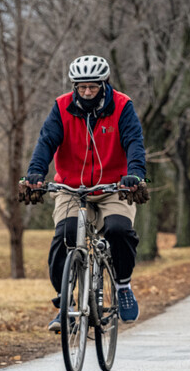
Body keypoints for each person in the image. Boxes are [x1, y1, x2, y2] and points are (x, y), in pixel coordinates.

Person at [20, 55, 149, 332]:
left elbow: (134, 143)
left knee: (118, 230)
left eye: (93, 86)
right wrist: (35, 174)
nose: (87, 92)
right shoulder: (62, 107)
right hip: (70, 187)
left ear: (104, 84)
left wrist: (136, 175)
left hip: (114, 187)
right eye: (82, 87)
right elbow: (46, 142)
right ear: (74, 86)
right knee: (64, 236)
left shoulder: (122, 106)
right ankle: (64, 305)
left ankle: (123, 284)